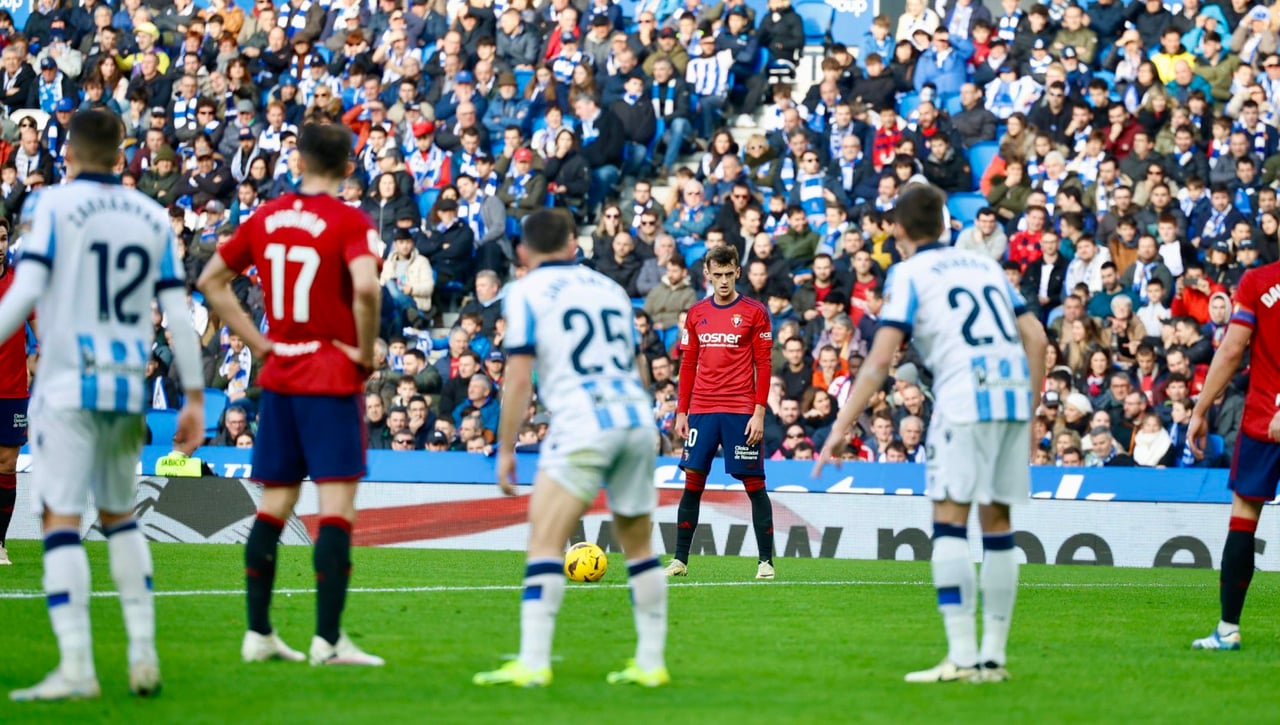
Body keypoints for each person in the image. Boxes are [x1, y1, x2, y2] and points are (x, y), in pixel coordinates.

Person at [1, 110, 206, 701]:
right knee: (119, 516)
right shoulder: (150, 215)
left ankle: (77, 668)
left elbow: (25, 295)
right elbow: (178, 317)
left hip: (67, 385)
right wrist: (193, 395)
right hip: (125, 388)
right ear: (122, 156)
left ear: (67, 154)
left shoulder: (52, 209)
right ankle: (142, 654)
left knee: (60, 518)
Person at [814, 184, 1047, 683]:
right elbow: (1037, 337)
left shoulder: (910, 273)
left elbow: (880, 360)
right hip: (1009, 395)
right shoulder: (984, 265)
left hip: (964, 400)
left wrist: (840, 426)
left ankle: (961, 657)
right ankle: (993, 658)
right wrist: (1029, 410)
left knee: (949, 522)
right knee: (999, 523)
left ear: (898, 229)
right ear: (945, 225)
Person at [197, 123, 384, 668]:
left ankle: (258, 633)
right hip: (329, 373)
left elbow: (211, 281)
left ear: (298, 160)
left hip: (280, 373)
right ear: (349, 167)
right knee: (336, 508)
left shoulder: (266, 216)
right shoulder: (349, 220)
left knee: (276, 505)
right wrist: (365, 351)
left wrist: (258, 343)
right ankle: (327, 641)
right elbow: (367, 288)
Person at [473, 208, 668, 688]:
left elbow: (518, 377)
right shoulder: (611, 289)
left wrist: (506, 447)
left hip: (582, 419)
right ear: (572, 245)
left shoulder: (526, 292)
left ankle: (533, 663)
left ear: (522, 253)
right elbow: (637, 362)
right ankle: (651, 663)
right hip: (635, 417)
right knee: (640, 545)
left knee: (545, 537)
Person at [1187, 252, 1280, 650]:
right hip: (1264, 419)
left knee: (1244, 518)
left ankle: (1227, 629)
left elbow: (1231, 349)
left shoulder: (1259, 282)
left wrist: (1200, 409)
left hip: (1263, 419)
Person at [666, 245, 775, 580]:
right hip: (701, 409)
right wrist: (681, 411)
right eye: (718, 275)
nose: (724, 281)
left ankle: (765, 562)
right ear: (708, 274)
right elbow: (688, 364)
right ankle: (680, 560)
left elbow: (764, 365)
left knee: (754, 484)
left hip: (740, 409)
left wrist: (759, 413)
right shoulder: (696, 313)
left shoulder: (755, 312)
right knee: (692, 483)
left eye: (730, 274)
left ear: (738, 272)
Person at [0, 218, 30, 565]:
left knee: (6, 466)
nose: (0, 245)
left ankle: (0, 542)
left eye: (4, 238)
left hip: (11, 389)